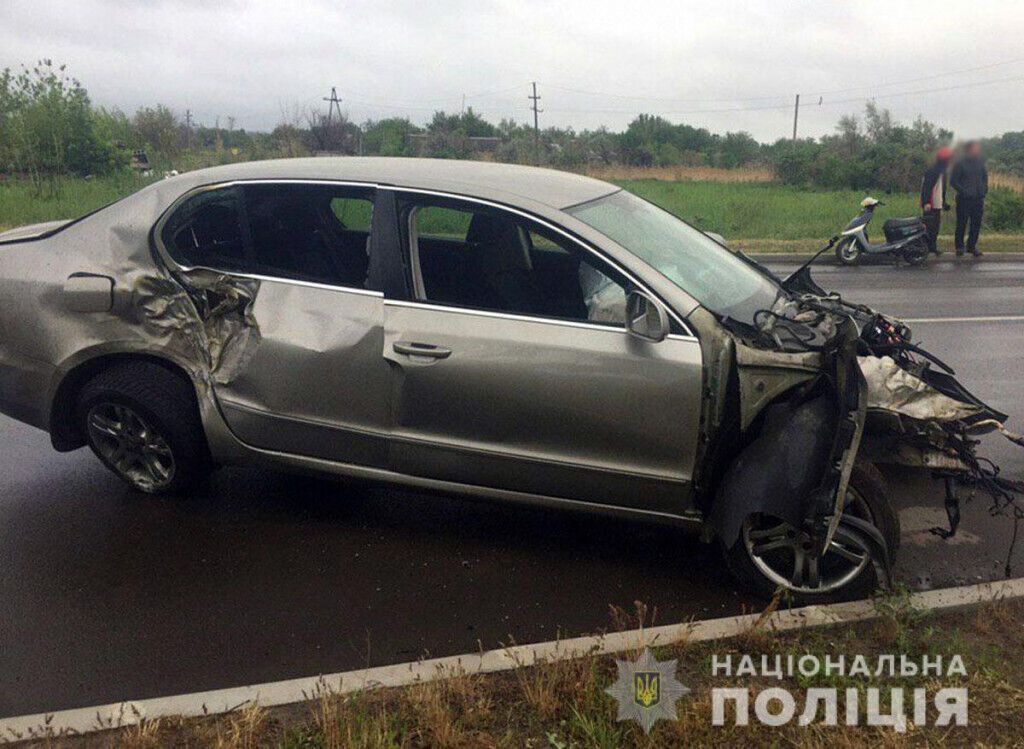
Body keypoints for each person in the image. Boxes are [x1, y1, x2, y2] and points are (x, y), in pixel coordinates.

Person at [950, 140, 988, 257]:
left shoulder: (980, 163)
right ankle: (959, 247)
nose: (978, 150)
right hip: (964, 199)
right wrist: (964, 192)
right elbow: (953, 181)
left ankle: (971, 246)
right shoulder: (960, 163)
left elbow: (984, 178)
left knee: (976, 224)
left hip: (978, 199)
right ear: (969, 149)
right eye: (975, 148)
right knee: (962, 223)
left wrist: (984, 190)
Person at [920, 147, 953, 255]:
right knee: (929, 227)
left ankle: (932, 247)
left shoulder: (943, 172)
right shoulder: (933, 170)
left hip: (937, 203)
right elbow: (926, 187)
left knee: (935, 227)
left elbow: (941, 190)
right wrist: (926, 202)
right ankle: (925, 247)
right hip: (930, 204)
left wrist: (943, 203)